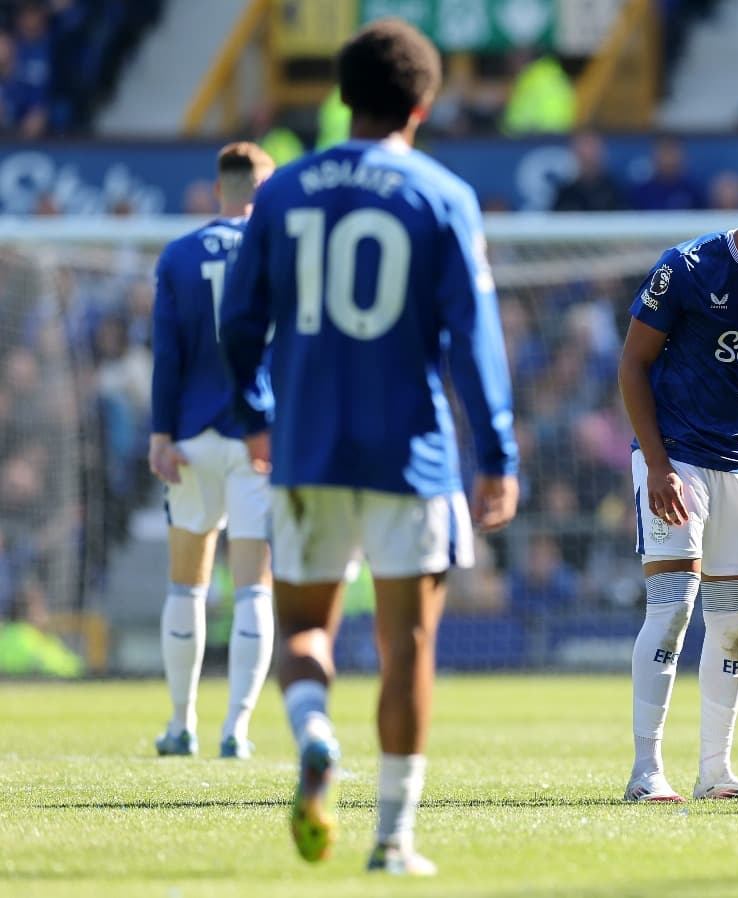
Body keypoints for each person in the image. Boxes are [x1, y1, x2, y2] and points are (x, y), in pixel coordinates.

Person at [219, 19, 519, 876]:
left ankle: (315, 736)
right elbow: (473, 338)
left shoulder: (281, 194)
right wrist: (496, 454)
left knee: (305, 627)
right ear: (422, 105)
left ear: (342, 96)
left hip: (307, 449)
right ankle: (393, 838)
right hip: (411, 457)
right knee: (407, 648)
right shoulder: (442, 194)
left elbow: (239, 326)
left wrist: (256, 415)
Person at [618, 156, 738, 802]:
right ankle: (646, 770)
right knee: (673, 608)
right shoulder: (688, 268)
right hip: (676, 456)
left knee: (734, 619)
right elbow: (632, 364)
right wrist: (654, 464)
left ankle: (716, 771)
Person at [148, 142, 276, 760]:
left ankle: (181, 725)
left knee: (187, 585)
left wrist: (159, 433)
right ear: (263, 188)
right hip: (260, 439)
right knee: (254, 586)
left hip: (193, 436)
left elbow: (167, 354)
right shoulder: (280, 251)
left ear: (218, 187)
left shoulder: (177, 255)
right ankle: (238, 731)